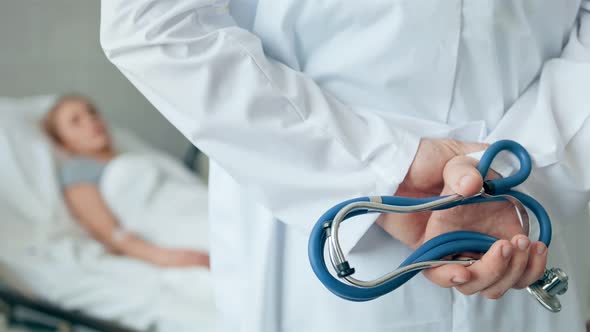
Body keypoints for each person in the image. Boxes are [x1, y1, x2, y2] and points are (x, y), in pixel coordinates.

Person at [99, 1, 590, 331]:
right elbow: (153, 26)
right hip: (312, 242)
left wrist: (524, 164)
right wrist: (388, 168)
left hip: (525, 234)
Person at [43, 95, 210, 269]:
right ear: (63, 143)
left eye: (92, 112)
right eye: (75, 121)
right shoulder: (77, 171)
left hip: (198, 203)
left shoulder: (136, 157)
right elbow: (111, 234)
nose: (90, 120)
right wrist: (166, 257)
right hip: (175, 227)